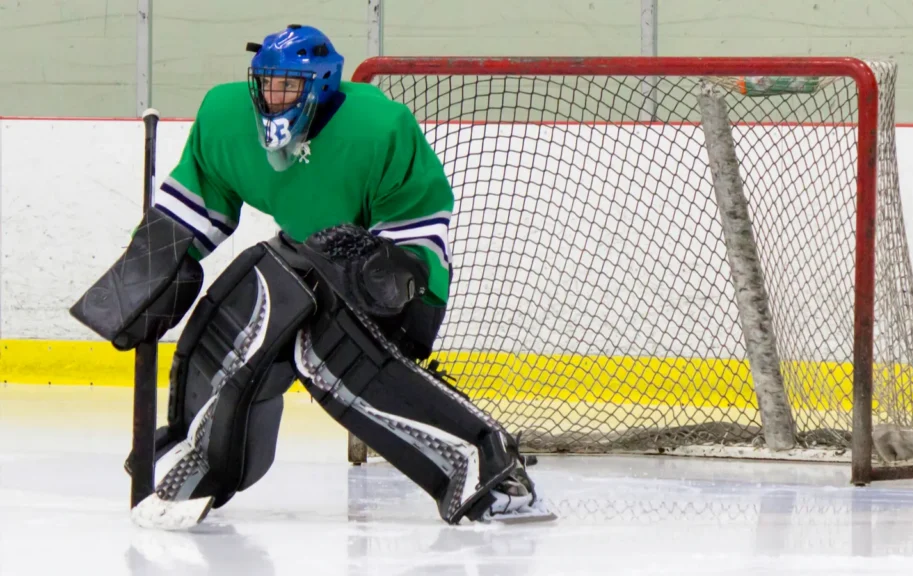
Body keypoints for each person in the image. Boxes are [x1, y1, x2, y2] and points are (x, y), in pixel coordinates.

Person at [69, 24, 552, 530]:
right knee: (246, 305)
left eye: (288, 87)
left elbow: (417, 240)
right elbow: (189, 216)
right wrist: (146, 274)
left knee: (325, 353)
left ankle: (485, 464)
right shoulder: (224, 118)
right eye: (267, 85)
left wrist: (368, 271)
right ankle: (198, 457)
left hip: (396, 278)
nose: (273, 99)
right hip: (304, 256)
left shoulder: (379, 127)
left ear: (320, 84)